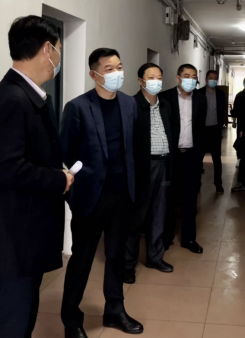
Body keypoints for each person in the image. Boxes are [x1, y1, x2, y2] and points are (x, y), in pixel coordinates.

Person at [0, 15, 73, 338]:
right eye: (59, 50)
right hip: (11, 241)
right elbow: (6, 168)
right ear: (47, 49)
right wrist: (58, 180)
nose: (58, 60)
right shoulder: (13, 99)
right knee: (8, 325)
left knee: (19, 321)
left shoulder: (26, 95)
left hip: (22, 237)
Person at [60, 48, 142, 337]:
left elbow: (133, 148)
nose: (117, 73)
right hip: (90, 199)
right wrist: (81, 186)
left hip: (122, 196)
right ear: (94, 74)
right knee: (81, 260)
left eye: (119, 67)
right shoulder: (78, 107)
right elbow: (66, 152)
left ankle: (115, 311)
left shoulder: (129, 104)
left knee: (116, 257)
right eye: (109, 69)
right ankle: (71, 319)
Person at [124, 63, 173, 284]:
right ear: (141, 81)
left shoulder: (166, 106)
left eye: (159, 77)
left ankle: (155, 257)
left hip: (163, 164)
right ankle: (128, 265)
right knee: (136, 218)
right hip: (142, 167)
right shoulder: (131, 105)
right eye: (151, 77)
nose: (156, 81)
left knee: (159, 213)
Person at [160, 64, 207, 254]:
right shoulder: (165, 97)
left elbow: (201, 128)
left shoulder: (201, 99)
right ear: (178, 78)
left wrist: (200, 153)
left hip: (192, 156)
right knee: (168, 197)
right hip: (171, 156)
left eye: (194, 76)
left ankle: (189, 238)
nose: (191, 79)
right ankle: (166, 237)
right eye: (187, 75)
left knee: (190, 198)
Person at [198, 70, 226, 193]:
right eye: (211, 78)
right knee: (198, 159)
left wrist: (220, 127)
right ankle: (197, 184)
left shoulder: (220, 94)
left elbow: (222, 110)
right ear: (206, 79)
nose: (213, 80)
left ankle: (218, 184)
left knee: (217, 159)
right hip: (202, 131)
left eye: (215, 78)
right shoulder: (198, 93)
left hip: (215, 130)